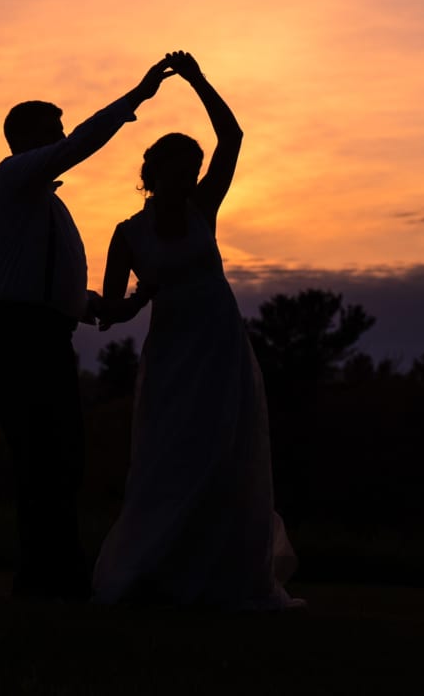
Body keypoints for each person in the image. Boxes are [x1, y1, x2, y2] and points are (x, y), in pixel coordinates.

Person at [92, 51, 301, 610]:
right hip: (172, 355)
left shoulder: (204, 208)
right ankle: (158, 570)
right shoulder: (126, 234)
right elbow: (119, 309)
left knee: (226, 453)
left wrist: (197, 80)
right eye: (176, 168)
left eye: (192, 167)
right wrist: (98, 306)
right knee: (171, 456)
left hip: (221, 347)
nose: (186, 177)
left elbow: (231, 136)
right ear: (151, 174)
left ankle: (222, 573)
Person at [0, 57, 173, 600]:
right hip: (22, 338)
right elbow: (81, 144)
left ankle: (54, 575)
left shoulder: (42, 203)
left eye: (62, 129)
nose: (65, 137)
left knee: (61, 458)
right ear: (31, 139)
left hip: (43, 335)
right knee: (45, 458)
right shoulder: (12, 177)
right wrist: (137, 96)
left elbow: (48, 283)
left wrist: (105, 305)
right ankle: (47, 580)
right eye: (56, 130)